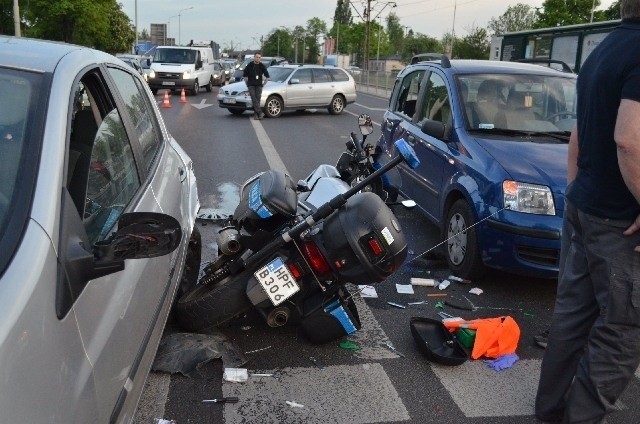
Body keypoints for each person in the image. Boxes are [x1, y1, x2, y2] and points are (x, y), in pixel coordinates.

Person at [535, 2, 640, 422]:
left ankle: (550, 409)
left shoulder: (604, 49)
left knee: (572, 315)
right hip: (620, 223)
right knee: (621, 331)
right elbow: (629, 139)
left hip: (585, 206)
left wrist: (577, 187)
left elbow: (580, 129)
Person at [243, 53, 269, 120]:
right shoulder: (250, 65)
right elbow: (244, 75)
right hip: (251, 85)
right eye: (257, 57)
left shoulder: (261, 66)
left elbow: (267, 76)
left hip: (259, 85)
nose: (258, 58)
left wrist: (264, 84)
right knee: (253, 98)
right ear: (254, 57)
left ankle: (256, 115)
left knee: (257, 100)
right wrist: (247, 84)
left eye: (259, 57)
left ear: (260, 58)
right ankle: (260, 113)